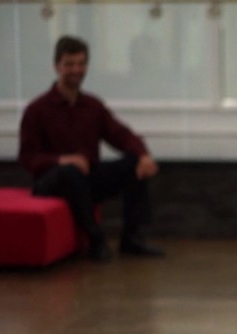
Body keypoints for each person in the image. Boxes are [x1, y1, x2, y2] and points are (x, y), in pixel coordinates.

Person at [18, 35, 165, 263]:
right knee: (71, 172)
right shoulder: (37, 109)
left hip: (87, 179)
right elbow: (27, 158)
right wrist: (62, 160)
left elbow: (121, 134)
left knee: (134, 162)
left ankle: (132, 239)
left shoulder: (92, 106)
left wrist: (143, 154)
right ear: (57, 66)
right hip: (52, 181)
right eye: (69, 64)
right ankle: (96, 240)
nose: (76, 70)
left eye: (81, 63)